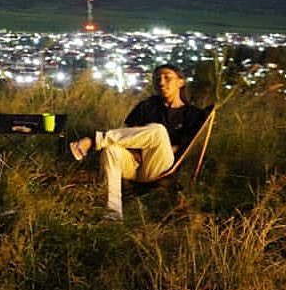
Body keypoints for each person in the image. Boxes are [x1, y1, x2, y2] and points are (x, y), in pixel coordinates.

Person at [69, 64, 208, 219]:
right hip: (135, 164)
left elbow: (183, 148)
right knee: (111, 150)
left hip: (161, 165)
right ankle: (112, 215)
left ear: (180, 82)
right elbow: (129, 134)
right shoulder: (147, 106)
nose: (161, 83)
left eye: (167, 78)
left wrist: (151, 147)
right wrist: (134, 151)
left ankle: (94, 140)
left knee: (158, 130)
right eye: (157, 79)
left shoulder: (192, 114)